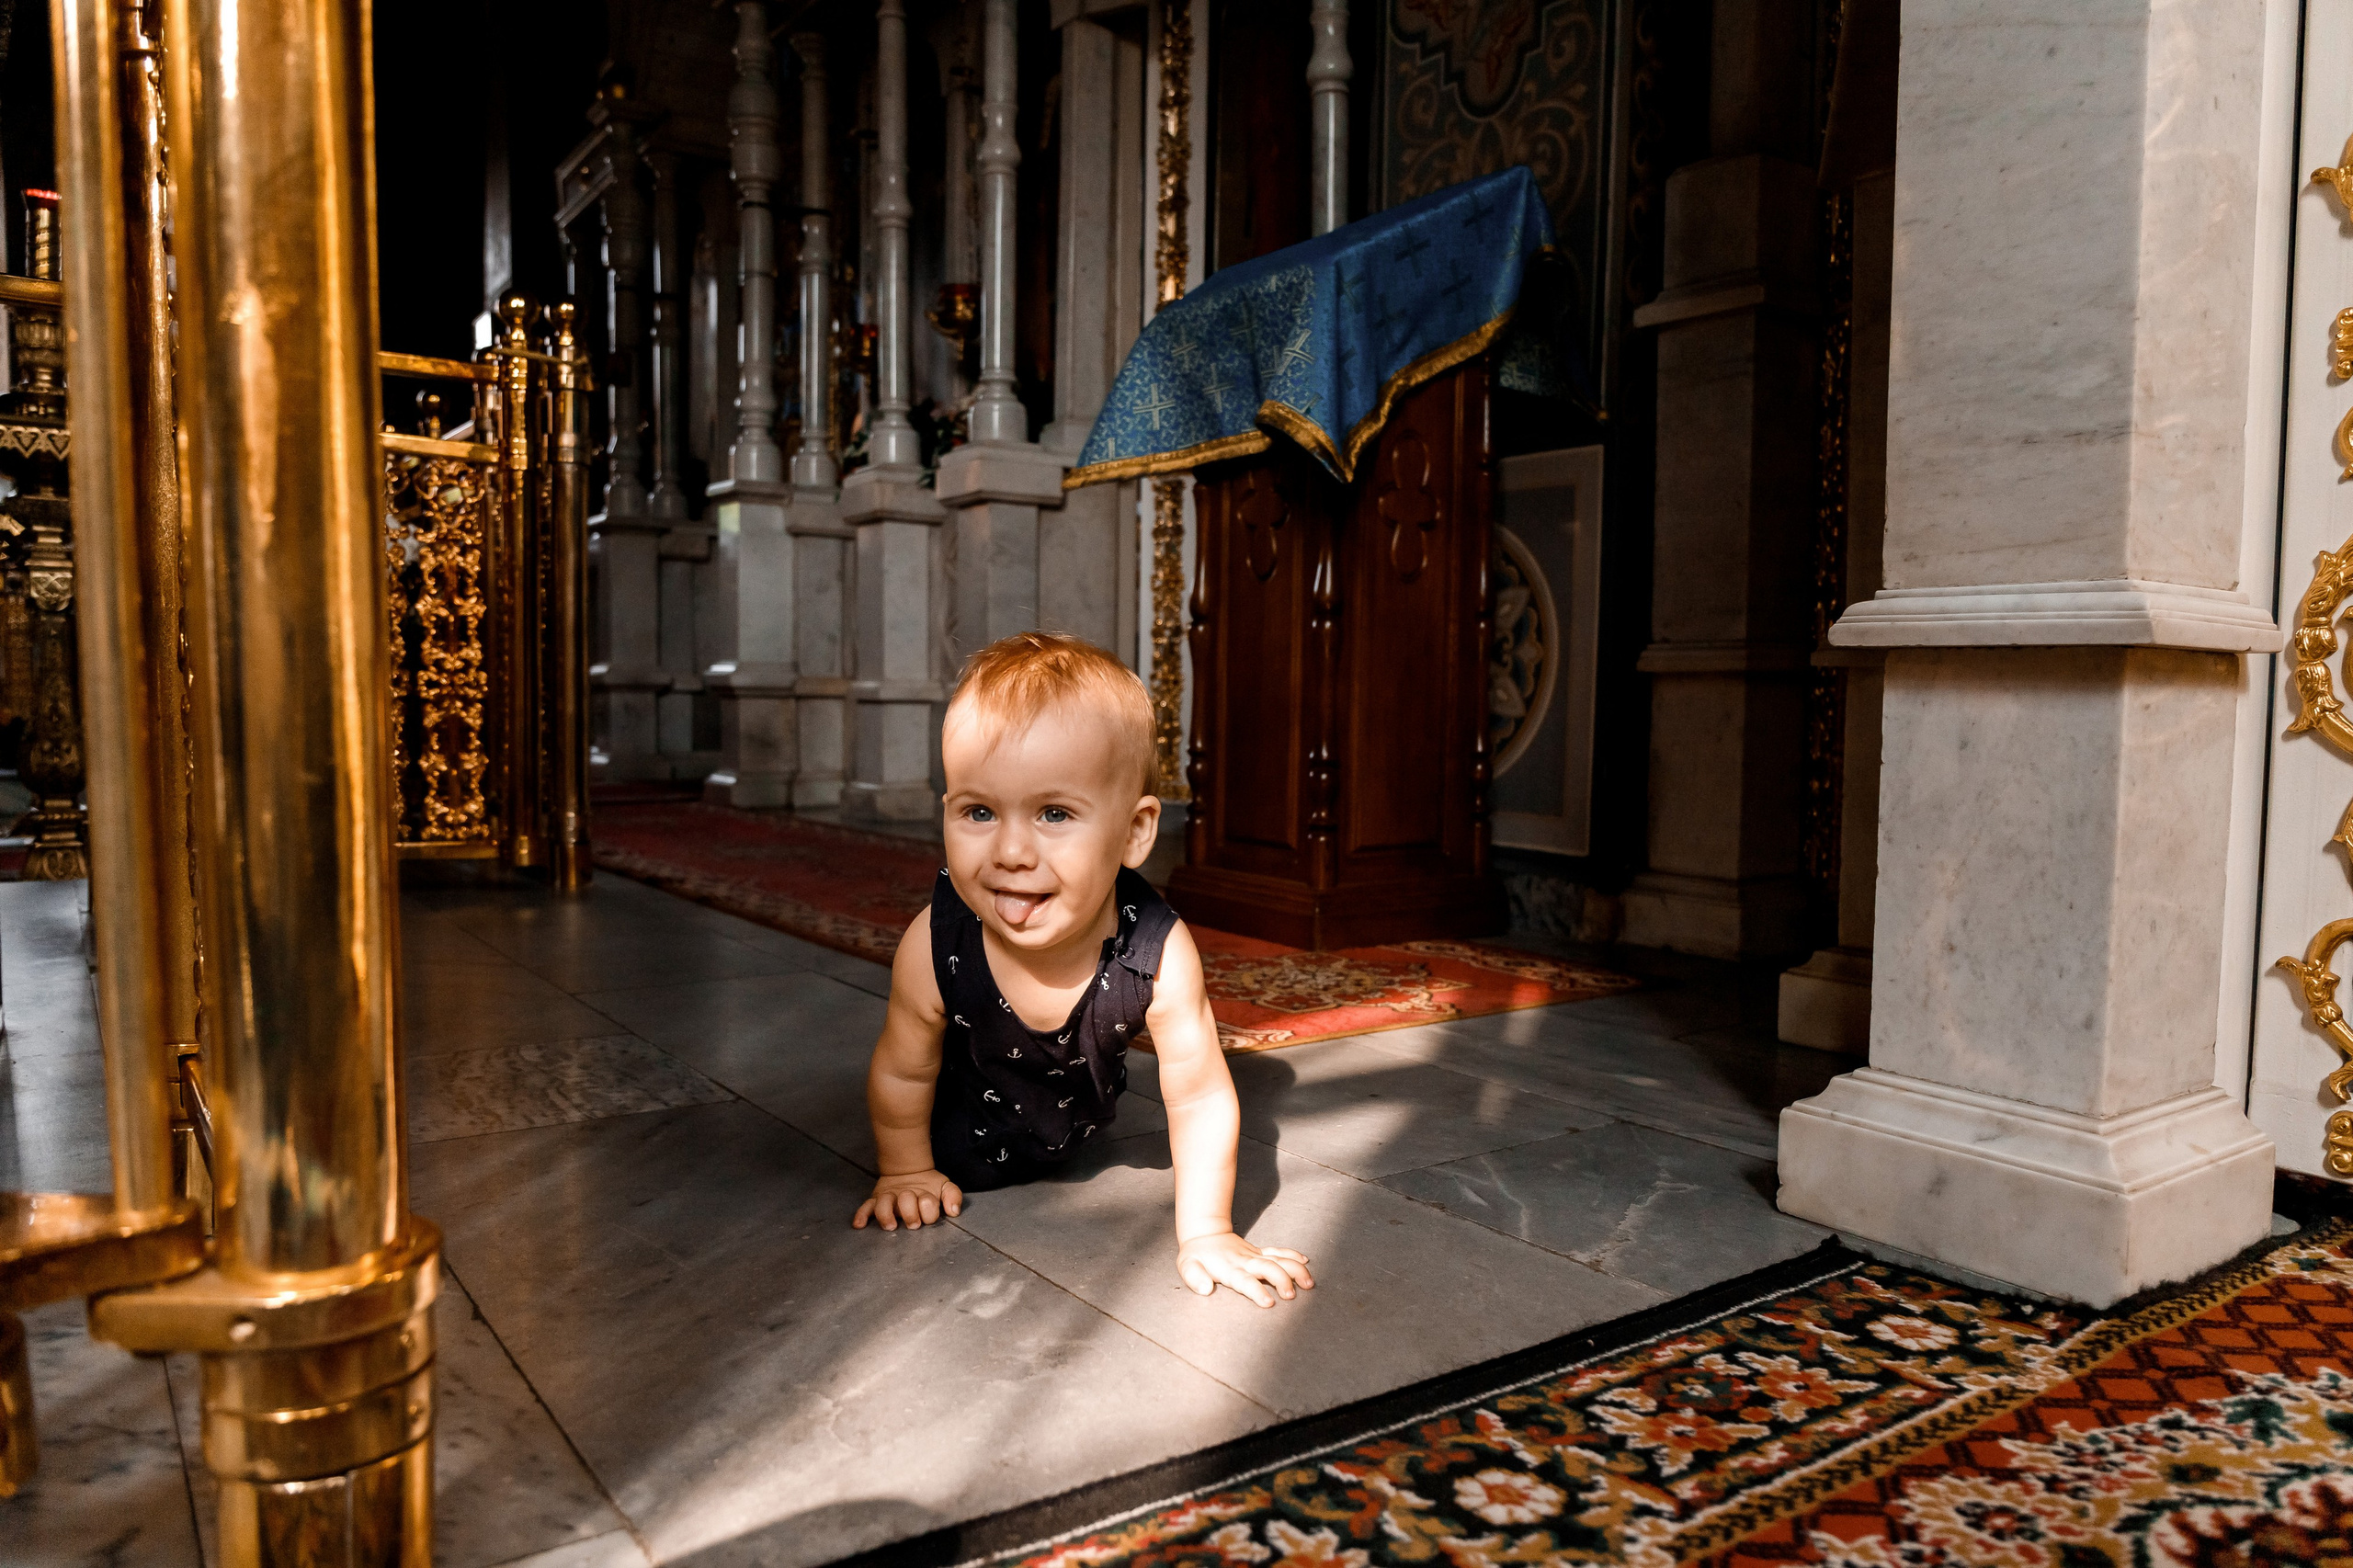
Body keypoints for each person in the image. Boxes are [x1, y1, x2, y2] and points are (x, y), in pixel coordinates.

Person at [850, 631, 1315, 1309]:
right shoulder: (936, 944)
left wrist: (1208, 1232)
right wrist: (905, 1170)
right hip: (956, 1141)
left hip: (1073, 1132)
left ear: (1134, 833)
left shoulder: (1156, 953)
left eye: (1054, 813)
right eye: (979, 811)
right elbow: (902, 1068)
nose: (1011, 850)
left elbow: (1199, 1095)